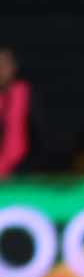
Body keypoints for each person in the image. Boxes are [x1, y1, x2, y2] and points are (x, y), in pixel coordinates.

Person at [0, 46, 37, 178]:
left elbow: (17, 143)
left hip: (23, 173)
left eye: (5, 63)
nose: (1, 68)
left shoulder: (23, 92)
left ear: (15, 67)